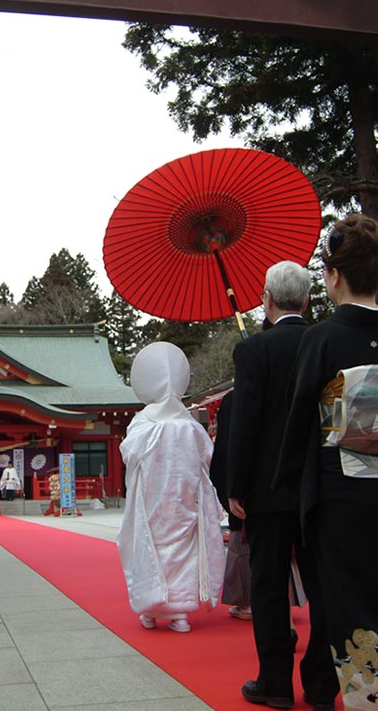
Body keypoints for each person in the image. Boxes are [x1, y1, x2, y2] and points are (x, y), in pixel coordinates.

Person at [274, 214, 378, 709]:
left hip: (344, 498)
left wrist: (290, 502)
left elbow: (298, 430)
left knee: (350, 608)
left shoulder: (324, 338)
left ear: (334, 276)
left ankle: (367, 698)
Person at [227, 260, 338, 711]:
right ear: (308, 300)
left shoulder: (253, 350)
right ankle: (321, 681)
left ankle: (274, 682)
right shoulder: (326, 340)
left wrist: (236, 486)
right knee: (324, 584)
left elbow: (246, 424)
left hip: (268, 488)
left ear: (266, 299)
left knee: (269, 586)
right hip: (319, 486)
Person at [117, 341, 225, 633]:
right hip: (185, 499)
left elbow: (128, 454)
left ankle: (151, 610)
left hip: (150, 498)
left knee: (150, 546)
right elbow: (207, 457)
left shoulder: (142, 425)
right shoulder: (190, 426)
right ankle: (181, 614)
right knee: (184, 548)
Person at [210, 389, 252, 621]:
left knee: (243, 543)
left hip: (241, 485)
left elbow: (225, 447)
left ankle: (247, 601)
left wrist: (229, 491)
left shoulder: (234, 399)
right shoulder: (283, 387)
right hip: (276, 483)